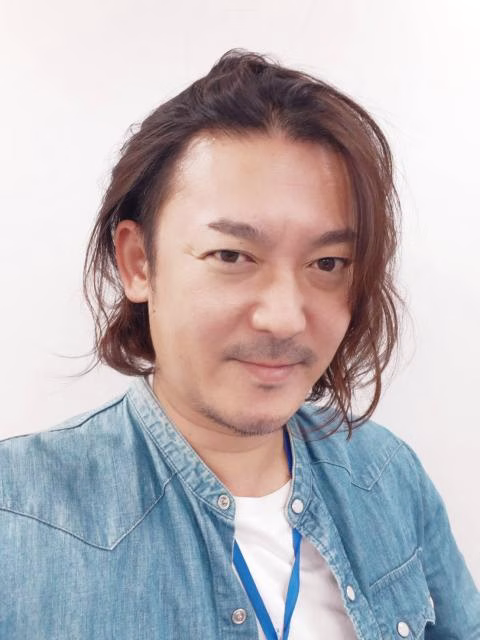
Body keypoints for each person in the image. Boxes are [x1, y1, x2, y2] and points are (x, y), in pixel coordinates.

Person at [1, 50, 478, 640]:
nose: (284, 318)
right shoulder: (19, 515)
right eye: (232, 255)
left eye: (328, 262)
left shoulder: (386, 474)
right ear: (139, 262)